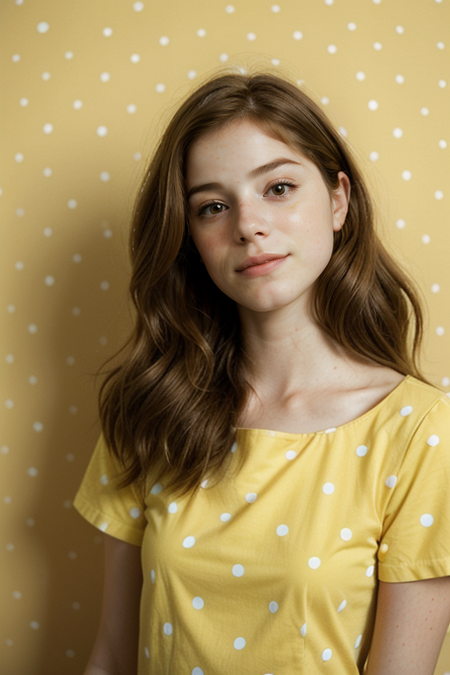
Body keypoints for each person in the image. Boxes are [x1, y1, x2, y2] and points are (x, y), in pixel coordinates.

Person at [74, 70, 450, 675]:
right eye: (213, 206)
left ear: (337, 201)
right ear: (190, 237)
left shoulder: (422, 434)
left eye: (277, 188)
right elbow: (112, 656)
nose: (247, 226)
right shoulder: (149, 407)